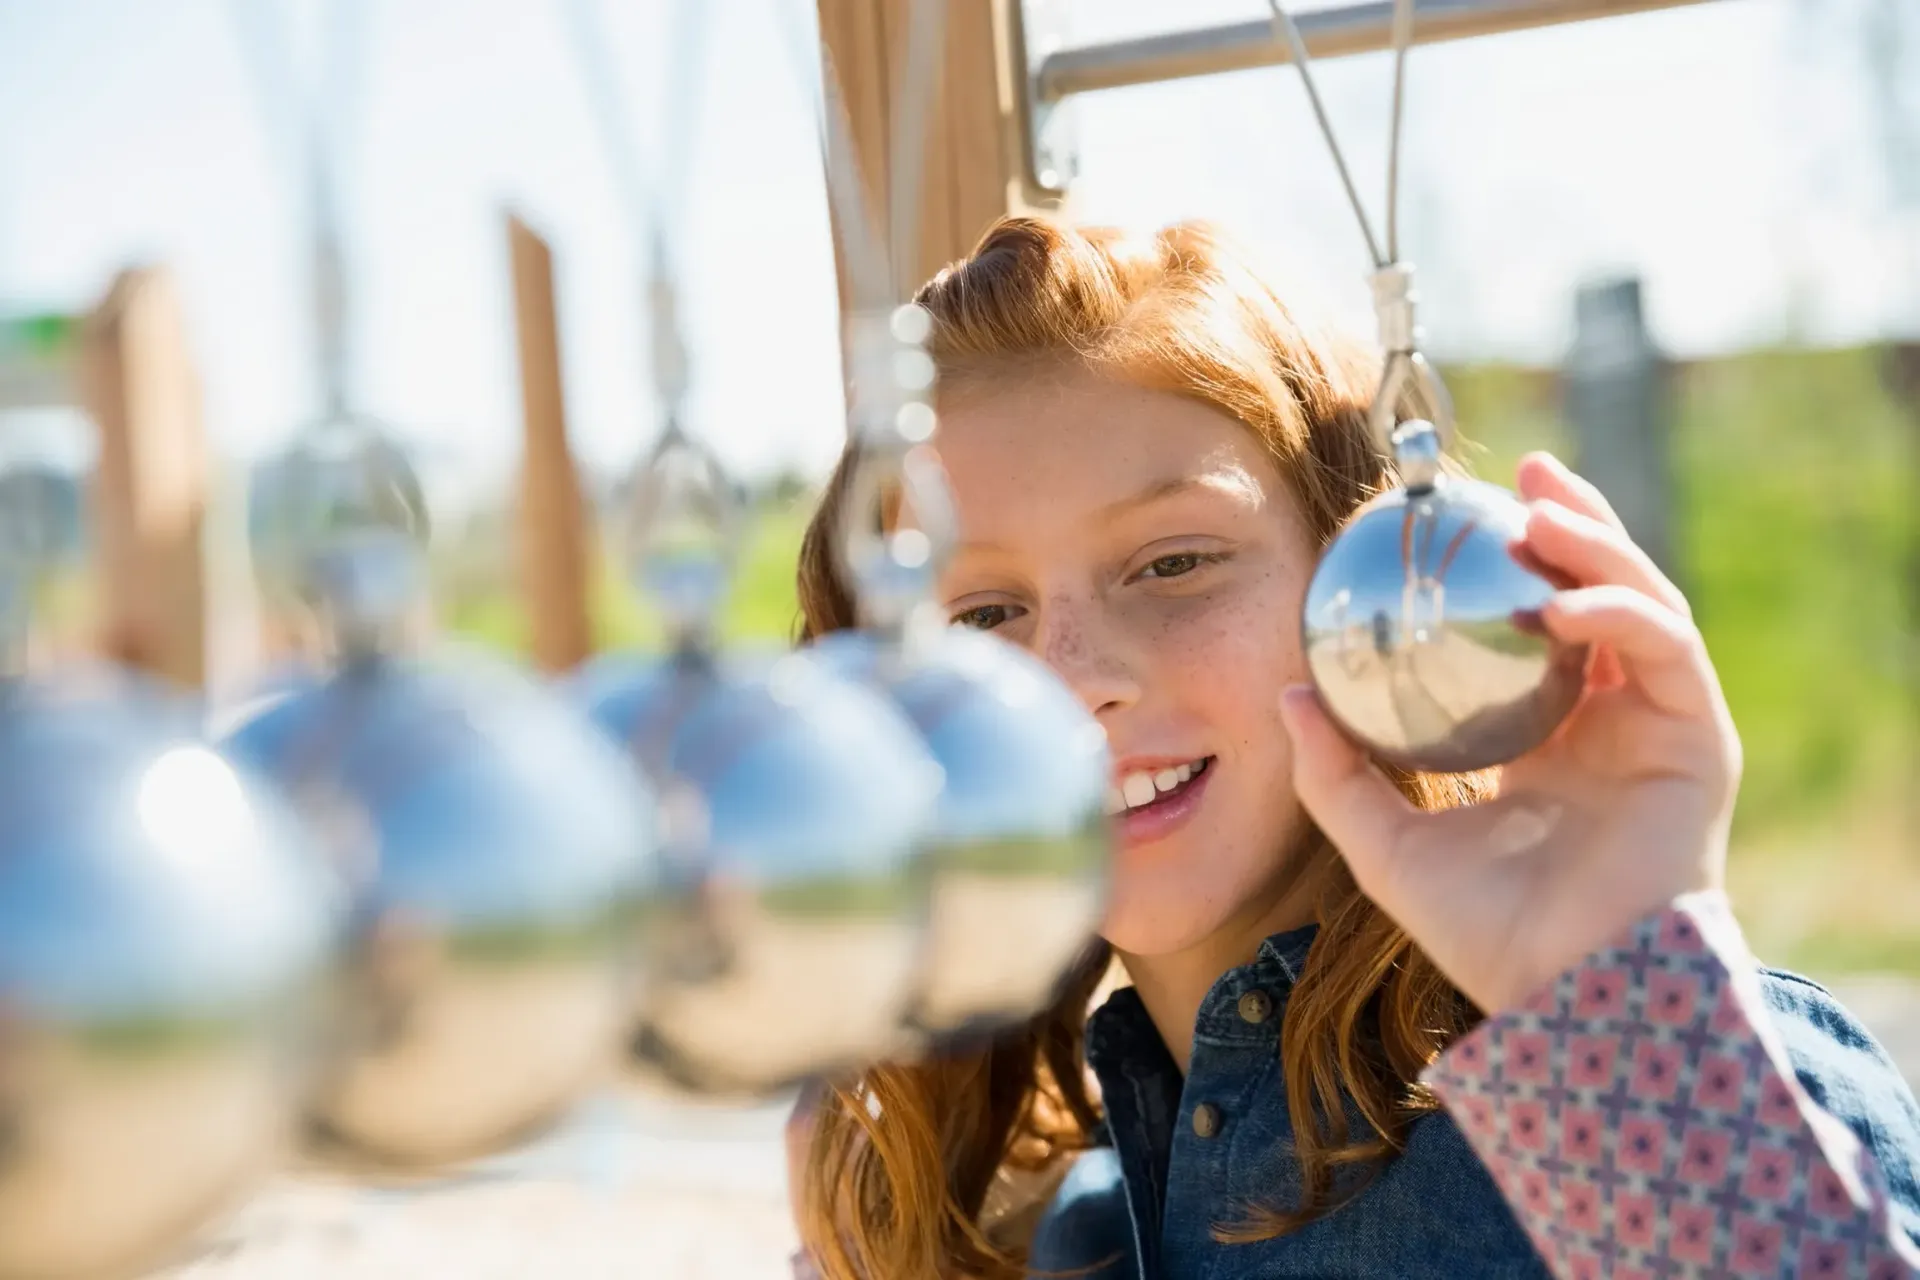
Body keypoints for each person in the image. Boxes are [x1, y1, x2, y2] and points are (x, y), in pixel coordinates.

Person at [786, 215, 1920, 1279]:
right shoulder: (1029, 1223)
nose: (1078, 678)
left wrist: (1626, 1026)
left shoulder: (1654, 1074)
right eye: (981, 615)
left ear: (1354, 570)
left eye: (1172, 562)